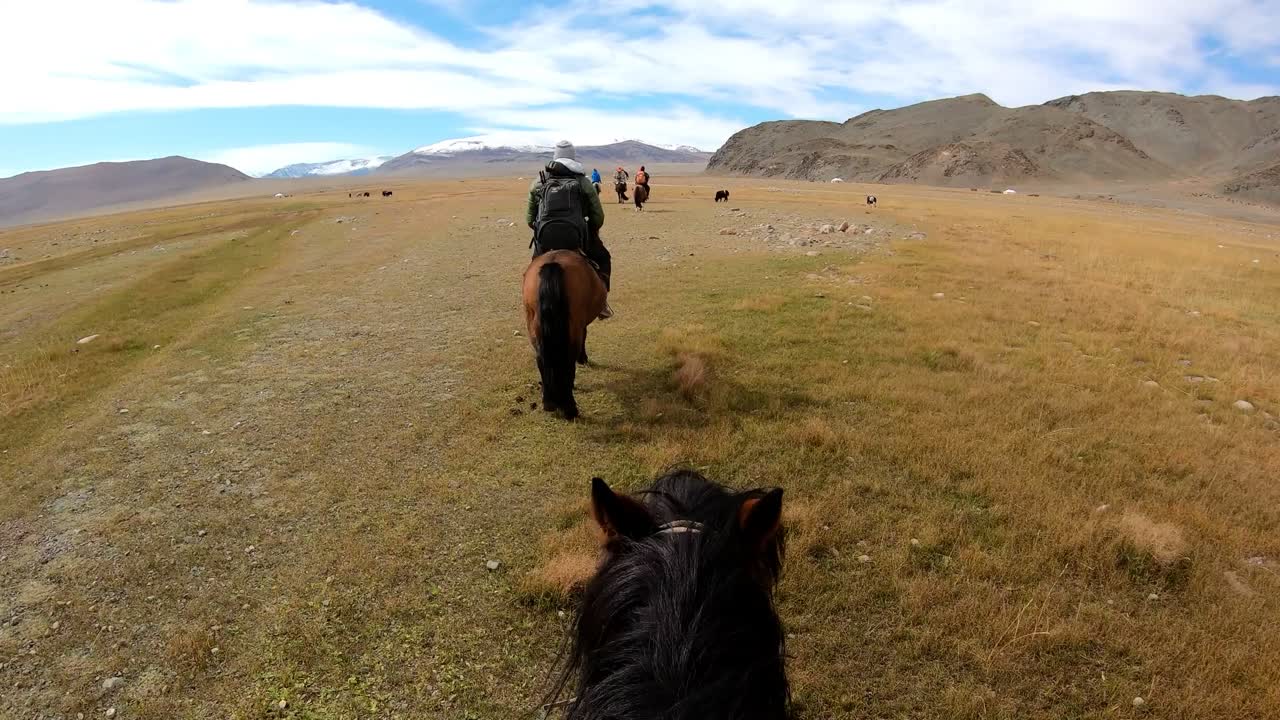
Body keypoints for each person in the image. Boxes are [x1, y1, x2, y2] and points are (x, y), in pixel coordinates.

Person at [526, 140, 613, 319]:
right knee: (603, 258)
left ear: (554, 156)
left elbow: (529, 218)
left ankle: (530, 302)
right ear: (573, 156)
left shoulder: (539, 182)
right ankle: (602, 303)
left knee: (532, 269)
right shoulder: (583, 181)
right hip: (576, 237)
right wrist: (591, 229)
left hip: (546, 237)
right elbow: (598, 216)